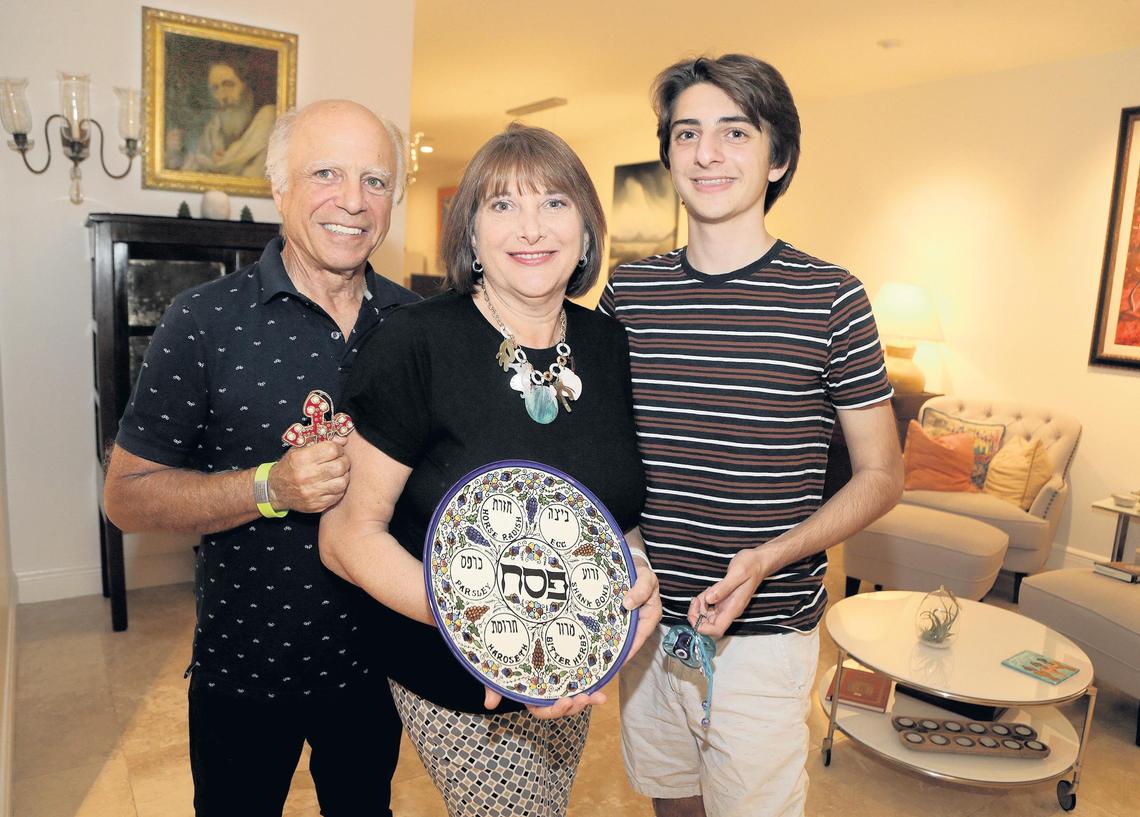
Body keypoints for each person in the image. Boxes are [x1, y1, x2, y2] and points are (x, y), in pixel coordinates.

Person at [319, 122, 662, 817]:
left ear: (587, 230)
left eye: (555, 202)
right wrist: (490, 639)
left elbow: (611, 509)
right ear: (471, 236)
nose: (531, 226)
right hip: (457, 674)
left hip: (570, 663)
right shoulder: (417, 343)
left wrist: (635, 579)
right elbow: (345, 537)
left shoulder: (608, 344)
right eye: (503, 205)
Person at [600, 54, 905, 817]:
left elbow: (881, 475)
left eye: (736, 132)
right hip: (646, 624)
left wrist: (768, 557)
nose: (708, 153)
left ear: (780, 158)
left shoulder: (831, 298)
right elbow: (601, 451)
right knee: (670, 799)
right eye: (687, 133)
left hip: (764, 637)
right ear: (668, 151)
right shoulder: (627, 294)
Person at [103, 99, 419, 817]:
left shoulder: (415, 327)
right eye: (326, 173)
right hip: (245, 669)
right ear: (278, 188)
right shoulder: (203, 319)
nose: (352, 200)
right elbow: (126, 497)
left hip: (378, 671)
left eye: (375, 180)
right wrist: (268, 486)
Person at [166, 60, 277, 177]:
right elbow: (191, 169)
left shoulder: (268, 116)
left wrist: (215, 161)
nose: (222, 96)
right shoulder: (214, 127)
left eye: (228, 85)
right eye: (215, 88)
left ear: (246, 84)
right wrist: (173, 152)